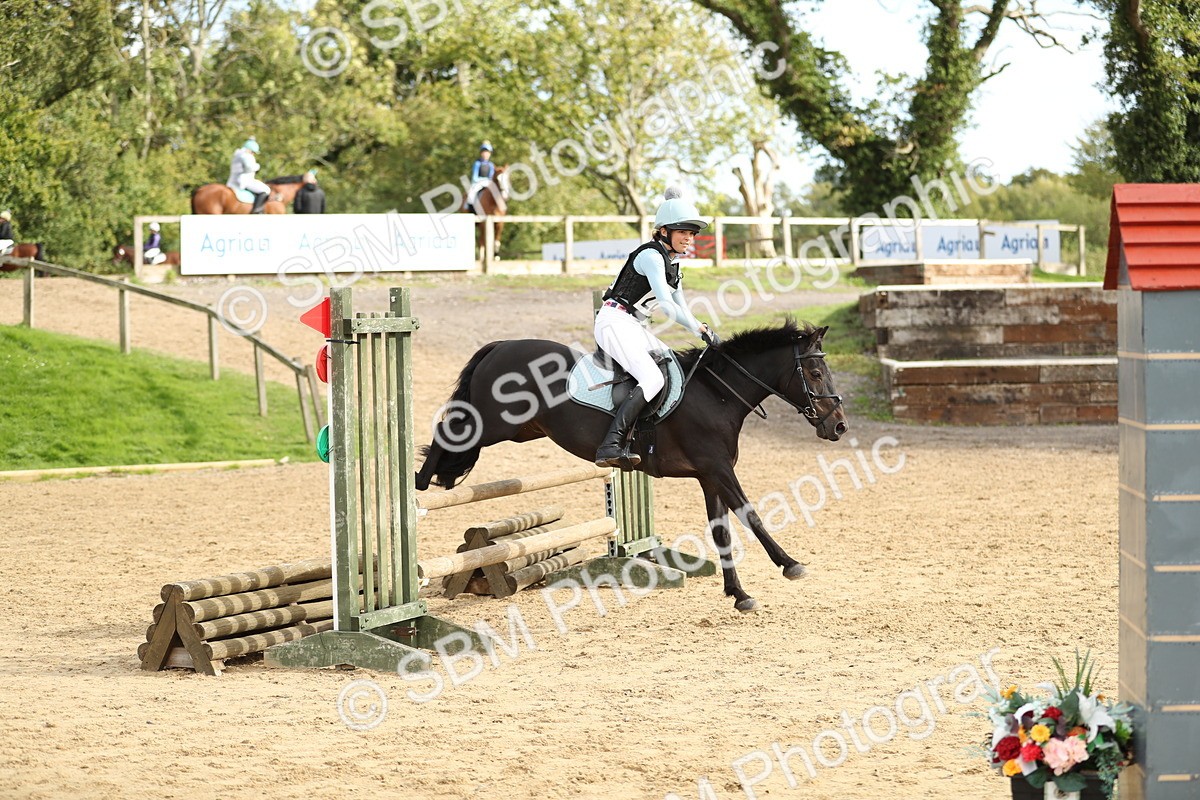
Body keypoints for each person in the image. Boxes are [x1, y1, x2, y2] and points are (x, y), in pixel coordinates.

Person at [593, 187, 718, 469]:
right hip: (614, 321)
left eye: (692, 233)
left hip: (634, 326)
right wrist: (699, 329)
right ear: (663, 231)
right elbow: (667, 306)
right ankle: (610, 444)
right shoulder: (651, 256)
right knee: (652, 379)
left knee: (672, 368)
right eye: (683, 231)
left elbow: (682, 307)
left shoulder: (673, 263)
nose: (689, 238)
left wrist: (704, 330)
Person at [226, 137, 271, 214]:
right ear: (249, 150)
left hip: (232, 181)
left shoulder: (237, 155)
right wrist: (258, 166)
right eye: (253, 152)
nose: (253, 154)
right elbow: (249, 168)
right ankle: (257, 210)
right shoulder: (246, 155)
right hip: (244, 181)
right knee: (266, 190)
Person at [465, 141, 496, 213]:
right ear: (481, 153)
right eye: (484, 152)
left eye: (487, 152)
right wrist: (481, 181)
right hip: (478, 182)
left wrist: (489, 182)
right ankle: (470, 209)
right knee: (471, 195)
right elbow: (475, 176)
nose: (486, 154)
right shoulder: (477, 163)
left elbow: (491, 175)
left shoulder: (491, 165)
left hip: (488, 182)